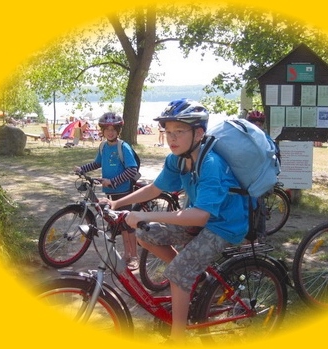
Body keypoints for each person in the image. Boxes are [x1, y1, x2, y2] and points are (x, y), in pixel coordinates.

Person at [100, 98, 249, 344]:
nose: (172, 138)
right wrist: (116, 203)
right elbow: (156, 188)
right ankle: (195, 276)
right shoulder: (177, 158)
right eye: (168, 132)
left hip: (224, 225)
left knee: (178, 273)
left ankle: (178, 338)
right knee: (145, 235)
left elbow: (201, 216)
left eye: (179, 131)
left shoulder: (211, 164)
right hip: (198, 218)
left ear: (199, 133)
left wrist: (144, 215)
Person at [73, 112, 140, 270]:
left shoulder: (123, 147)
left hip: (123, 191)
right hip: (111, 192)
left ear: (118, 130)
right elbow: (97, 163)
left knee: (128, 225)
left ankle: (134, 256)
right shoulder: (103, 146)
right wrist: (82, 169)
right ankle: (127, 254)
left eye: (113, 129)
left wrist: (114, 181)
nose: (110, 132)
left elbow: (132, 170)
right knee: (120, 225)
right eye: (107, 129)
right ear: (102, 131)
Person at [246, 109, 280, 242]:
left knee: (258, 204)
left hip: (264, 176)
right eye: (254, 122)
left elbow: (273, 152)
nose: (257, 125)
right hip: (251, 175)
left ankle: (260, 236)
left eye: (260, 123)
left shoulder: (265, 137)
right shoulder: (247, 135)